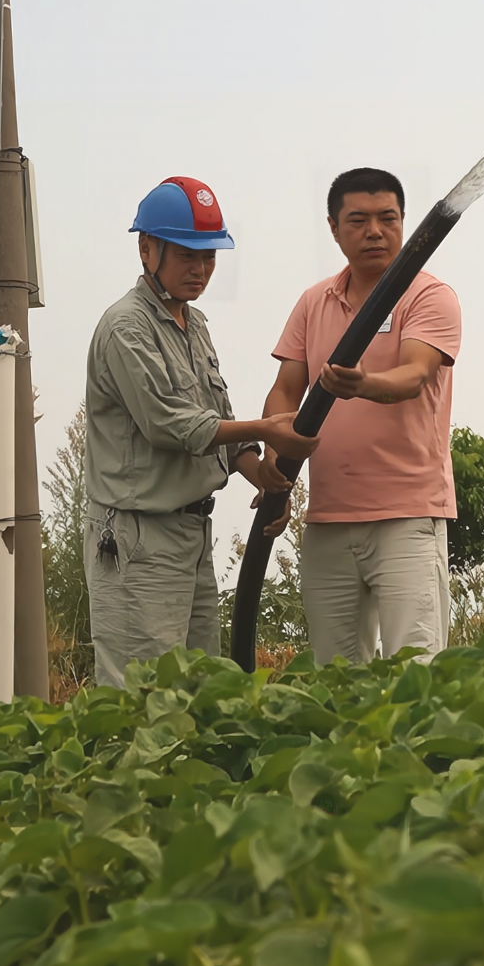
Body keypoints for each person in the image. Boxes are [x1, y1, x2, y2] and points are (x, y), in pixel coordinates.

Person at [84, 176, 317, 687]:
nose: (201, 269)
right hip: (139, 537)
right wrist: (269, 427)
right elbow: (170, 423)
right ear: (148, 249)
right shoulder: (126, 326)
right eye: (188, 254)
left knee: (198, 692)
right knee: (141, 698)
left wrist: (259, 469)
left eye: (209, 256)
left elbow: (218, 413)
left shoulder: (196, 323)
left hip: (192, 533)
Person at [259, 167, 461, 665]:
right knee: (336, 675)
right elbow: (285, 391)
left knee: (417, 671)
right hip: (329, 521)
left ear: (405, 222)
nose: (375, 231)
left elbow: (415, 374)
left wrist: (362, 385)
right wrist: (275, 472)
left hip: (408, 519)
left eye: (387, 218)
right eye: (359, 220)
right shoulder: (313, 302)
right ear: (333, 228)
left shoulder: (428, 294)